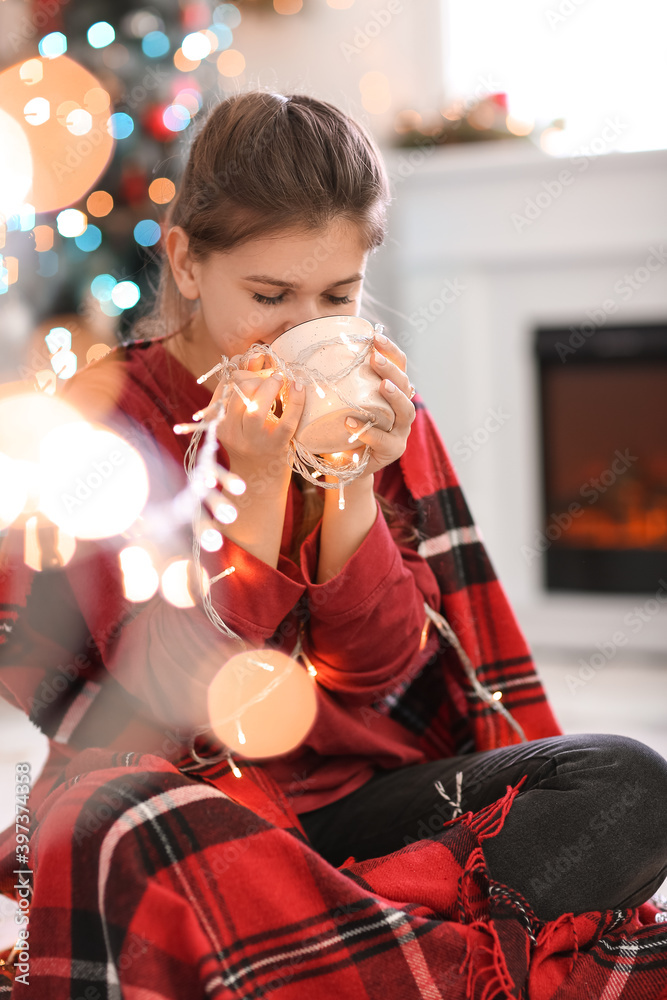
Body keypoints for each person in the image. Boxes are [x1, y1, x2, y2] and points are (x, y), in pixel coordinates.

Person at [1, 90, 667, 997]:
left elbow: (383, 671)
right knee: (109, 823)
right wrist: (261, 481)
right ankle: (409, 951)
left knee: (626, 785)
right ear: (188, 261)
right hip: (207, 801)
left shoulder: (372, 409)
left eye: (337, 296)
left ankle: (310, 940)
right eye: (270, 296)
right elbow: (177, 708)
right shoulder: (106, 428)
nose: (305, 327)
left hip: (371, 808)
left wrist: (352, 480)